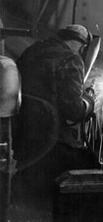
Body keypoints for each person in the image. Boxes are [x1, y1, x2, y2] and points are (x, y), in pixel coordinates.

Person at [13, 24, 97, 200]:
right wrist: (89, 100)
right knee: (90, 162)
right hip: (50, 141)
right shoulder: (71, 60)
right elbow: (73, 111)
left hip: (23, 137)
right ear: (80, 45)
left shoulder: (33, 49)